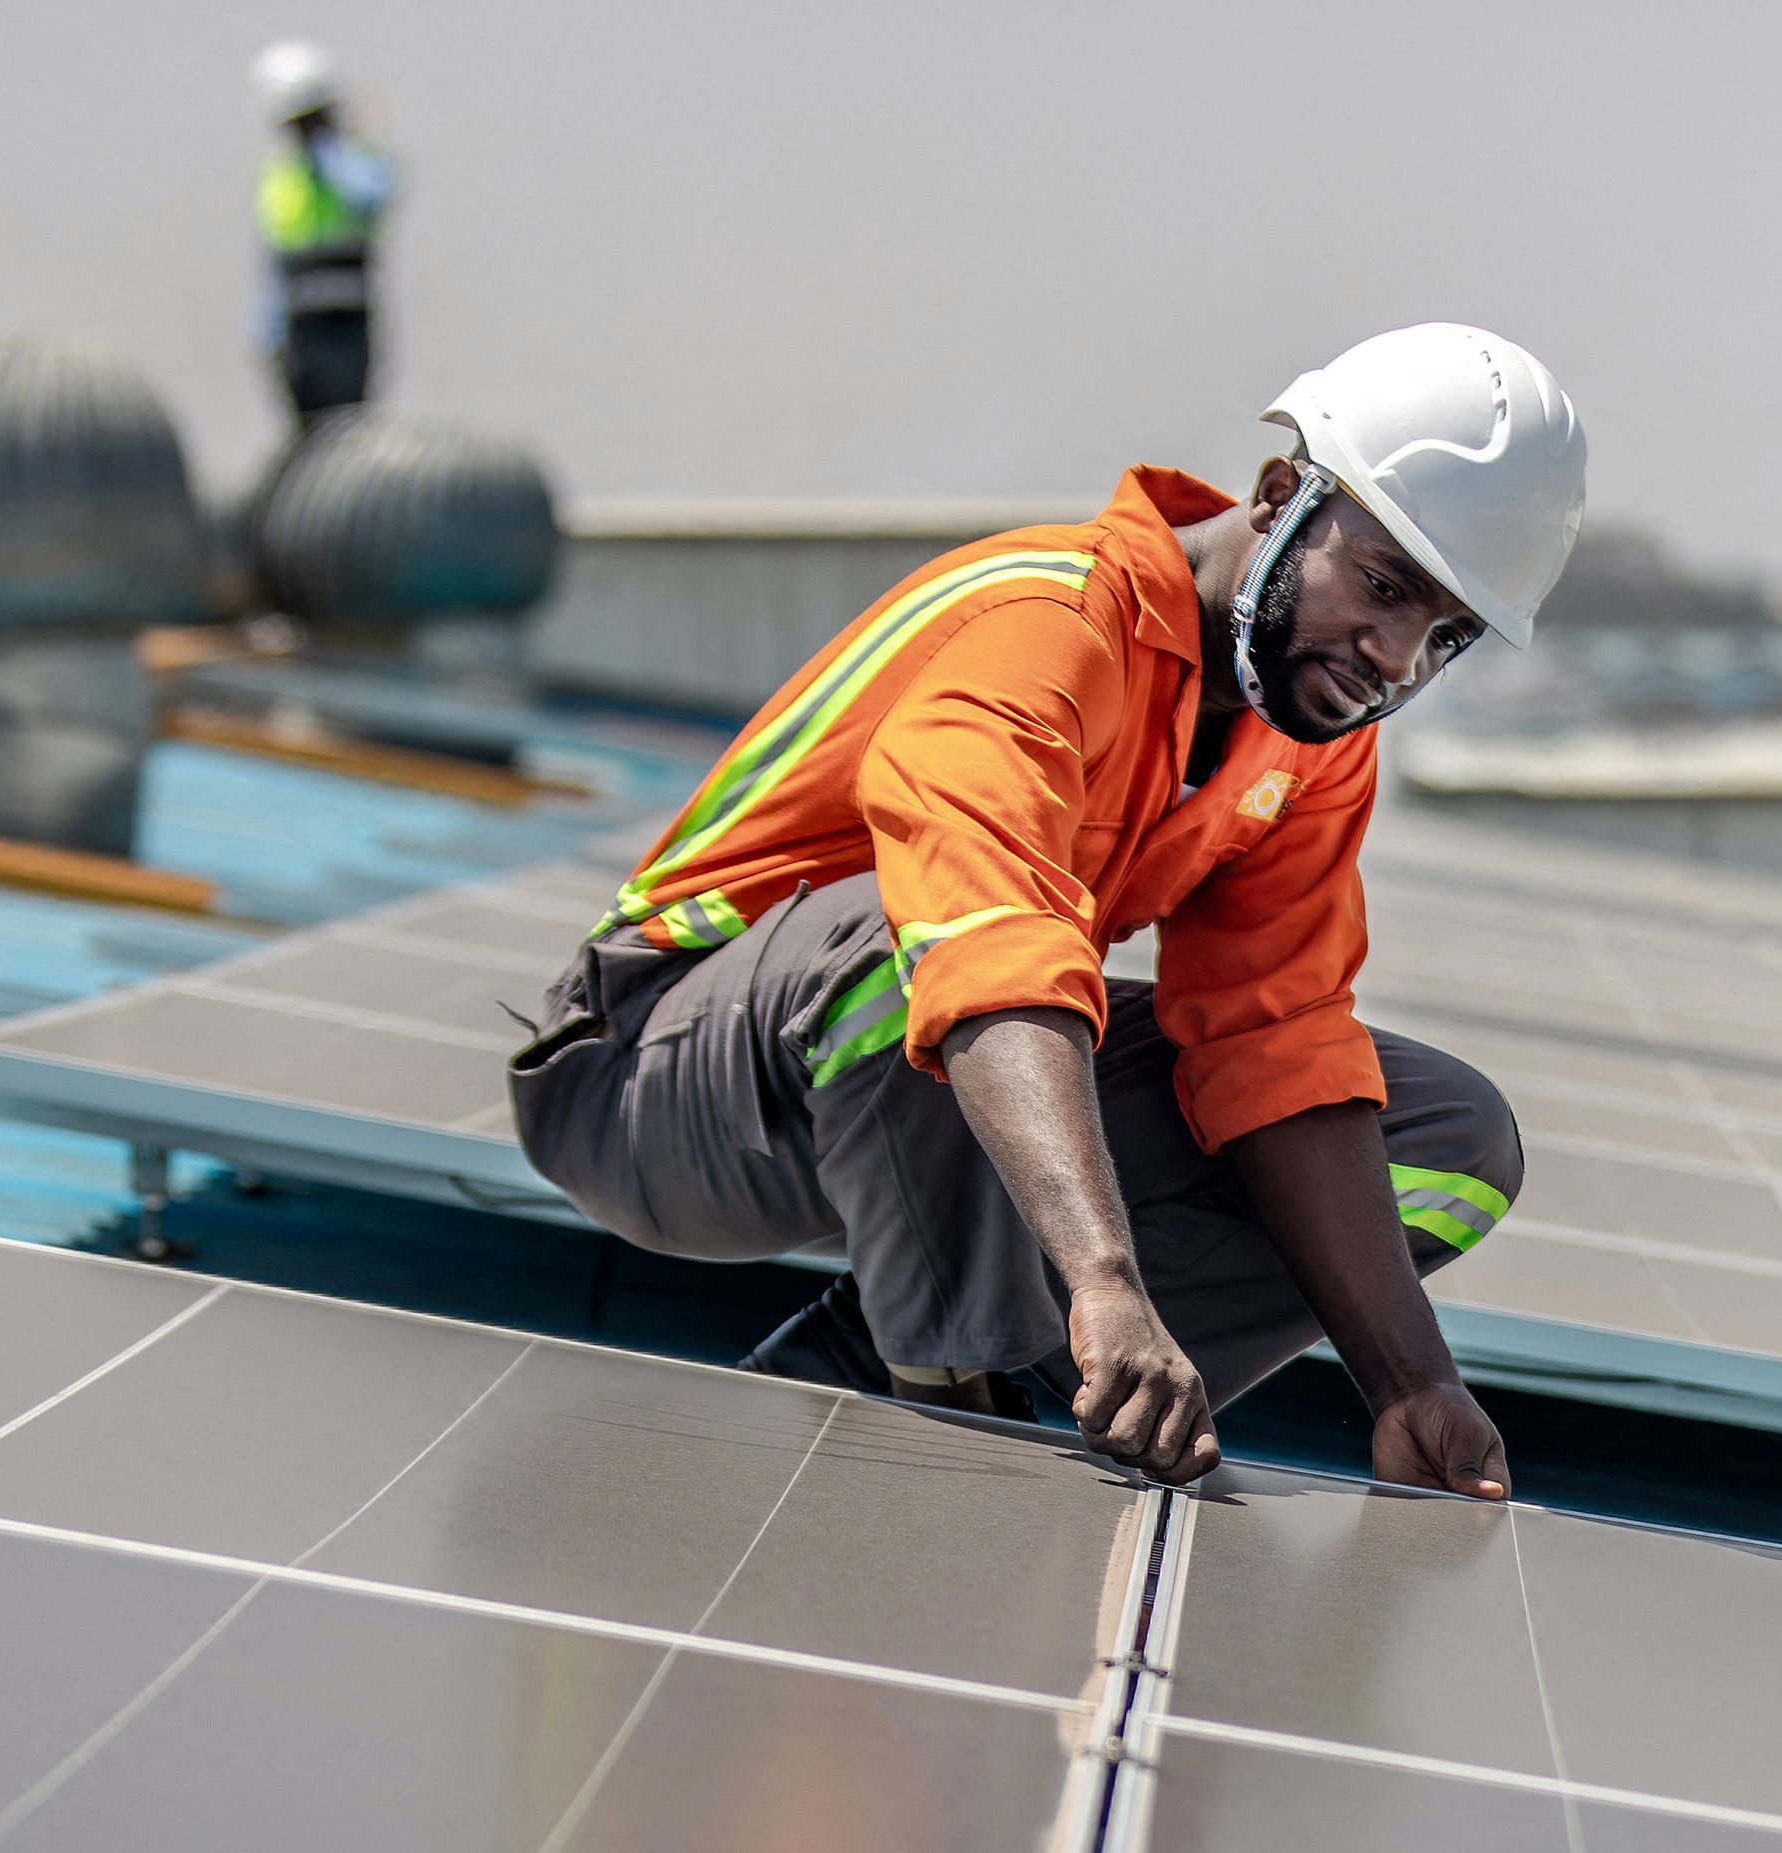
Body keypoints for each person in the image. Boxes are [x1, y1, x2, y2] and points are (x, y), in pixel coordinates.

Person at [505, 324, 1586, 1495]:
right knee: (923, 938)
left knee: (1445, 1139)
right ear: (1280, 497)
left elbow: (1273, 1043)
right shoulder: (1046, 624)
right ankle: (948, 1413)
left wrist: (1408, 1380)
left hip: (908, 1101)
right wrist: (1105, 1280)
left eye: (1444, 637)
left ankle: (965, 1387)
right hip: (654, 1076)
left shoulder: (1310, 737)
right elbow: (984, 943)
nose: (1394, 656)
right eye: (1383, 588)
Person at [249, 41, 392, 423]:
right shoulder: (281, 177)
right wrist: (267, 331)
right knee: (309, 434)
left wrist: (331, 155)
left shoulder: (352, 164)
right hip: (301, 333)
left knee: (348, 430)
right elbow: (275, 263)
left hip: (348, 328)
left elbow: (373, 196)